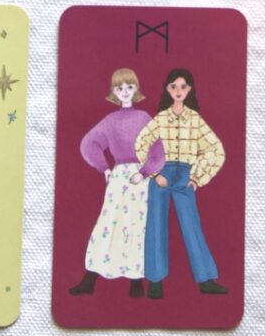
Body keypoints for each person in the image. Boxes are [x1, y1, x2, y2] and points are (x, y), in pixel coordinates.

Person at [69, 68, 165, 299]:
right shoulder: (110, 121)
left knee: (137, 226)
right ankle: (90, 278)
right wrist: (104, 167)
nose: (125, 91)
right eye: (119, 88)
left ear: (136, 88)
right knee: (109, 222)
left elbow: (159, 151)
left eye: (129, 86)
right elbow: (88, 144)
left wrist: (144, 172)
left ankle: (136, 280)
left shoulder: (144, 118)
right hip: (119, 177)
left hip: (139, 179)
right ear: (113, 91)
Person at [135, 67, 228, 299]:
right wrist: (155, 174)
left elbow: (216, 150)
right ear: (167, 89)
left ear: (189, 90)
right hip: (162, 174)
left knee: (191, 225)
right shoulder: (160, 119)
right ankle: (155, 281)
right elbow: (141, 143)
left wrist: (197, 178)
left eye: (183, 86)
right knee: (156, 223)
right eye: (173, 86)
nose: (178, 90)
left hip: (185, 175)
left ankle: (206, 279)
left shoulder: (195, 119)